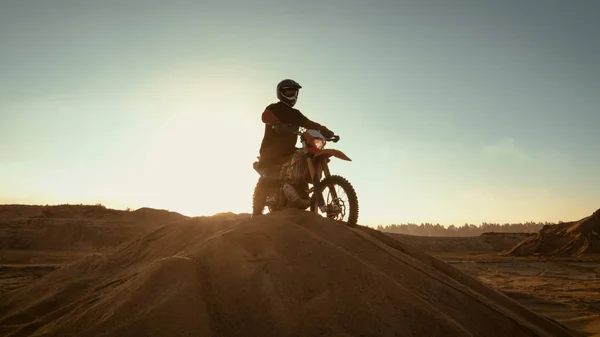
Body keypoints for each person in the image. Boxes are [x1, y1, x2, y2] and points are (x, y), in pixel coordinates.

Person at [257, 79, 335, 211]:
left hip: (289, 150)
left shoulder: (296, 114)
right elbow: (266, 116)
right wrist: (276, 123)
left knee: (303, 158)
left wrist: (324, 130)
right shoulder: (274, 108)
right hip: (271, 150)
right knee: (269, 176)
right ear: (281, 92)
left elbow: (310, 124)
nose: (292, 94)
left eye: (294, 91)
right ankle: (258, 210)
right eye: (289, 91)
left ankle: (300, 190)